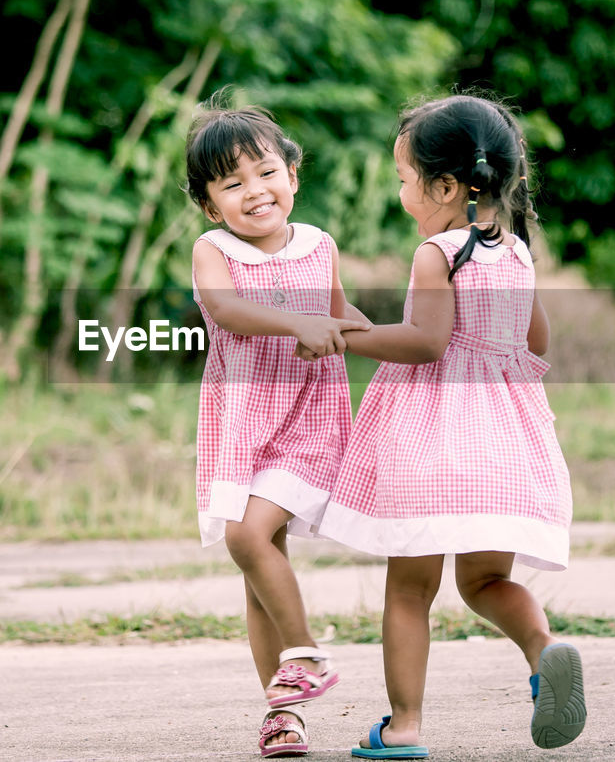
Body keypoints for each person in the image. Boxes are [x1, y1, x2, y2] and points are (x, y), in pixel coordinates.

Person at [314, 94, 585, 758]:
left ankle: (403, 727)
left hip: (433, 440)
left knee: (410, 588)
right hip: (504, 441)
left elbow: (427, 342)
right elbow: (537, 339)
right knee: (485, 581)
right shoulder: (516, 254)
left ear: (445, 186)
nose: (401, 192)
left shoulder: (438, 253)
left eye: (404, 179)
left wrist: (353, 337)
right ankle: (544, 648)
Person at [187, 99, 369, 758]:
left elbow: (337, 309)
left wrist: (390, 341)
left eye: (264, 172)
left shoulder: (320, 244)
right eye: (231, 184)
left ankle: (306, 655)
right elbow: (228, 309)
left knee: (247, 536)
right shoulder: (214, 249)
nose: (253, 191)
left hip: (308, 420)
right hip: (244, 423)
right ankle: (284, 712)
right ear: (211, 206)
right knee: (258, 564)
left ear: (292, 172)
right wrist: (298, 324)